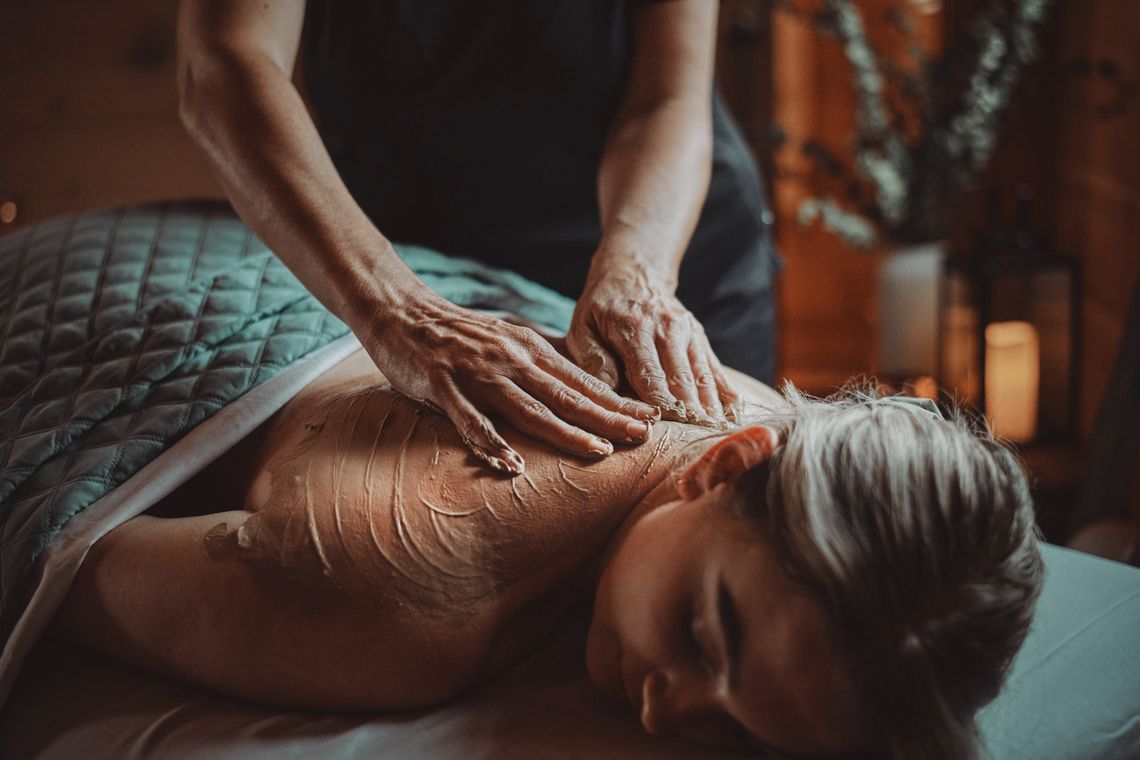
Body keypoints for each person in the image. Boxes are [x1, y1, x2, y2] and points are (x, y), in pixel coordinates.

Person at [49, 343, 1044, 759]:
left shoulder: (763, 415)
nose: (663, 712)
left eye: (736, 732)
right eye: (705, 637)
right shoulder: (389, 609)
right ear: (723, 467)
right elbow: (40, 551)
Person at [175, 0, 781, 475]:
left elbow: (665, 99)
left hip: (663, 241)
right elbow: (225, 63)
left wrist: (639, 271)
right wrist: (396, 310)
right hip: (419, 266)